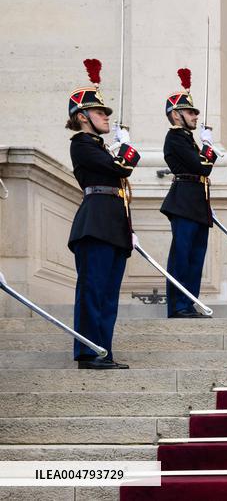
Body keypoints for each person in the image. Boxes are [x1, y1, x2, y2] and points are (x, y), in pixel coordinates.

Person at [66, 59, 140, 369]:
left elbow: (121, 190)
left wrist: (128, 228)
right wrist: (126, 149)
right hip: (94, 225)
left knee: (108, 297)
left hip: (112, 227)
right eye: (99, 112)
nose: (105, 117)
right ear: (82, 117)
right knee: (93, 291)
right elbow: (120, 168)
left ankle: (103, 352)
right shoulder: (82, 144)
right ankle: (87, 352)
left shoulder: (99, 146)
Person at [160, 68, 217, 318]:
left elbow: (202, 171)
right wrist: (208, 147)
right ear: (176, 115)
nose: (195, 116)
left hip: (196, 201)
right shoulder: (175, 139)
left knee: (196, 257)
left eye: (195, 112)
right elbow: (201, 167)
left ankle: (189, 300)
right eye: (190, 112)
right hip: (183, 201)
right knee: (182, 256)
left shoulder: (187, 139)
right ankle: (177, 305)